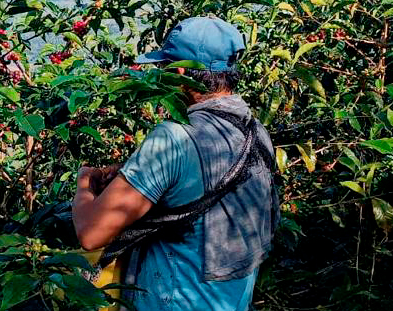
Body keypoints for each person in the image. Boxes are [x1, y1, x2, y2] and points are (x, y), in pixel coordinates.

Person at [71, 16, 279, 311]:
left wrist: (84, 180)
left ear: (180, 71)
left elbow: (92, 234)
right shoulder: (256, 132)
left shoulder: (174, 138)